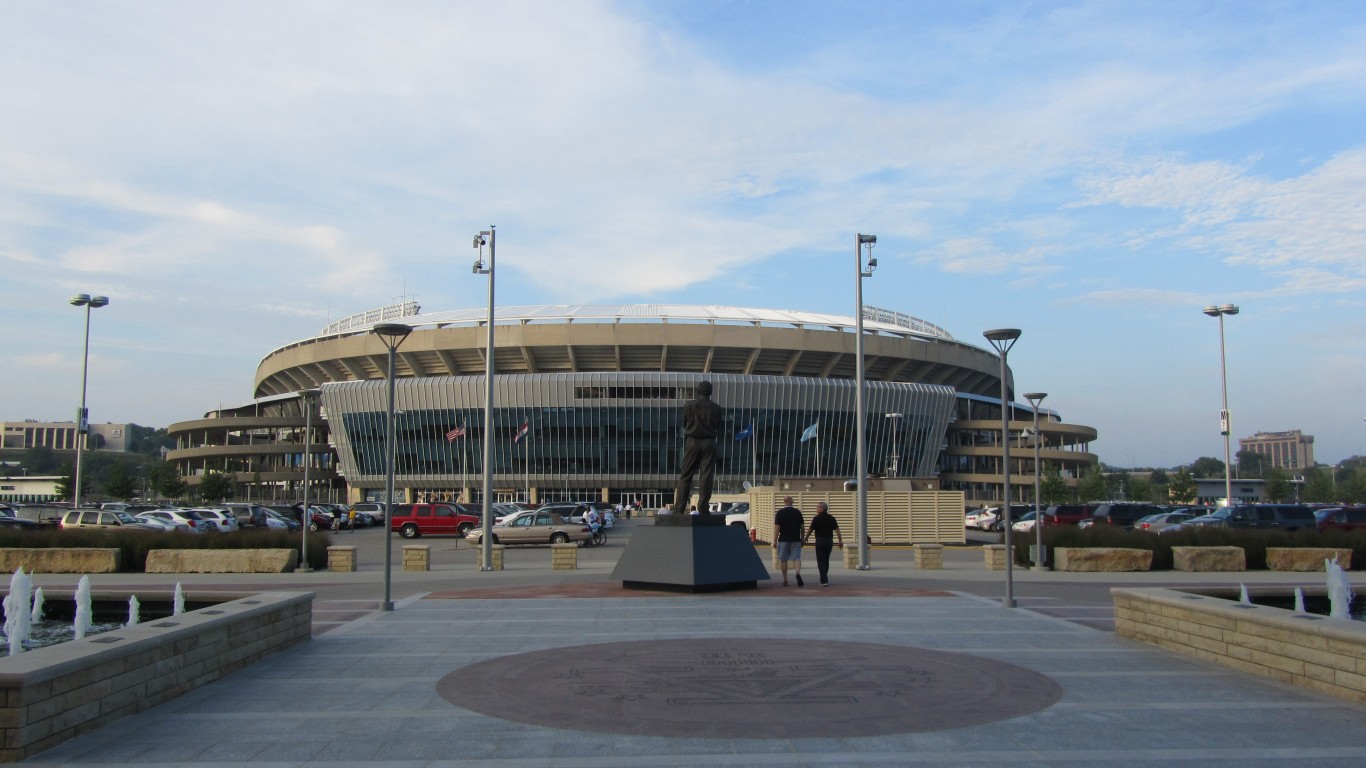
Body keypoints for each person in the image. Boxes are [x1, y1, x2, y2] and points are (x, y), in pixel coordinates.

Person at [670, 381, 723, 515]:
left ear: (698, 391)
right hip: (709, 442)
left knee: (686, 475)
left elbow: (683, 423)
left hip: (693, 441)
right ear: (710, 392)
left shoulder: (689, 405)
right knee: (706, 476)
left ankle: (679, 508)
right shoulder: (717, 408)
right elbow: (718, 427)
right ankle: (703, 508)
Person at [803, 501, 843, 586]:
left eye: (818, 507)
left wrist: (806, 538)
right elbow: (837, 530)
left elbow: (810, 529)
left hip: (820, 540)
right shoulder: (831, 518)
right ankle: (824, 576)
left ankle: (824, 580)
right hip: (829, 540)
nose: (816, 508)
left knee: (820, 560)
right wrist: (840, 540)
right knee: (826, 559)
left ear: (822, 508)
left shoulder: (816, 518)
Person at [773, 496, 805, 587]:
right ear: (792, 502)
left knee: (783, 559)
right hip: (795, 538)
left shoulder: (780, 513)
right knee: (797, 557)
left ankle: (785, 580)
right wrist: (802, 538)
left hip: (783, 539)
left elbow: (777, 528)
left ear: (784, 502)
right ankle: (797, 573)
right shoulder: (797, 512)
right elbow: (802, 527)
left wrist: (775, 540)